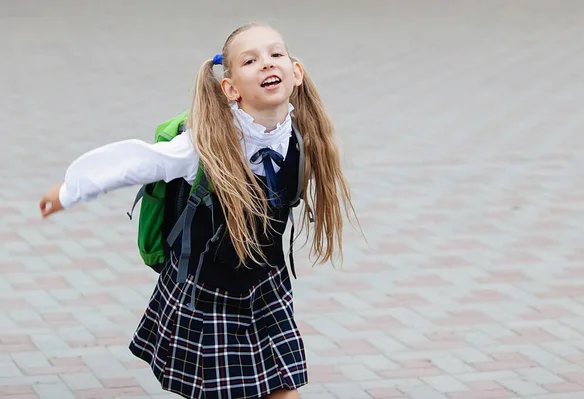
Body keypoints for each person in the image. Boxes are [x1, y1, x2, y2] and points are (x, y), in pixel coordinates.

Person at [39, 22, 357, 399]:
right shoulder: (203, 146)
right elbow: (140, 163)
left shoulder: (302, 137)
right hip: (207, 293)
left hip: (265, 289)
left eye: (276, 54)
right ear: (230, 87)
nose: (267, 64)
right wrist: (71, 191)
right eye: (251, 60)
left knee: (282, 390)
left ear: (296, 72)